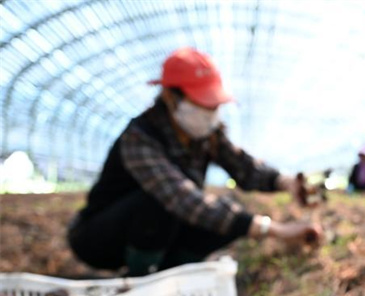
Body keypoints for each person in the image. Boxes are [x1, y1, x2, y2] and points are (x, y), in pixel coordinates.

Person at [68, 47, 322, 276]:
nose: (211, 113)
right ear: (170, 97)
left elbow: (244, 167)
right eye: (203, 104)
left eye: (214, 105)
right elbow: (182, 198)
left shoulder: (206, 135)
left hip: (161, 232)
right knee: (160, 205)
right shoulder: (140, 138)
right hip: (99, 239)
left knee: (222, 218)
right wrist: (274, 230)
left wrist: (288, 183)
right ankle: (141, 282)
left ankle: (170, 275)